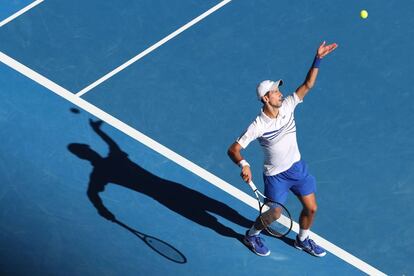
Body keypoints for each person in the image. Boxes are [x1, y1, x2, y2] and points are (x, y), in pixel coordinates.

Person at [227, 41, 338, 257]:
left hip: (297, 168)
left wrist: (318, 59)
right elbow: (233, 149)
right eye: (276, 91)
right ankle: (251, 235)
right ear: (266, 98)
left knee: (312, 208)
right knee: (274, 213)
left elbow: (308, 85)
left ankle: (302, 240)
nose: (280, 93)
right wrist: (244, 163)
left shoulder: (288, 105)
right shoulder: (258, 125)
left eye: (279, 90)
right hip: (276, 176)